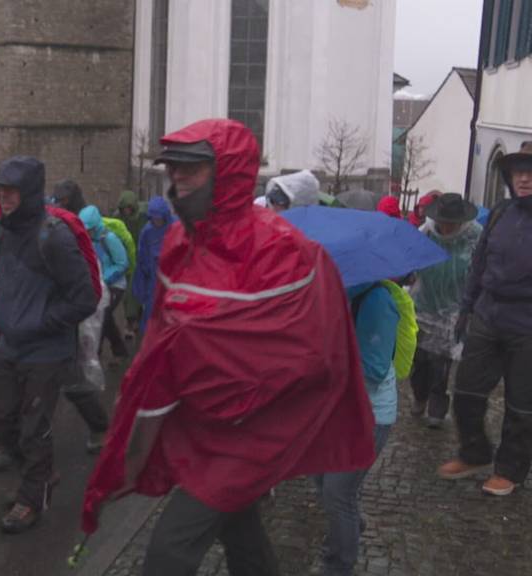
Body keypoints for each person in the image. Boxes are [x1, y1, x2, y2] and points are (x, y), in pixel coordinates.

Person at [81, 119, 375, 575]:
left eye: (191, 170)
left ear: (228, 173)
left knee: (169, 551)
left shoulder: (283, 249)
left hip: (253, 430)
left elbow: (308, 351)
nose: (178, 179)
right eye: (174, 169)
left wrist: (203, 358)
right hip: (199, 422)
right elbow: (164, 325)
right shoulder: (180, 239)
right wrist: (148, 379)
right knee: (238, 526)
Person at [0, 156, 98, 534]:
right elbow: (5, 270)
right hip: (9, 344)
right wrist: (2, 294)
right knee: (0, 416)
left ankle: (31, 499)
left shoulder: (54, 236)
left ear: (29, 193)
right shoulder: (2, 229)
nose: (4, 198)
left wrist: (41, 322)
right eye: (0, 190)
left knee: (34, 428)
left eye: (11, 191)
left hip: (46, 352)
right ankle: (41, 475)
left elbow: (84, 298)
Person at [439, 141, 532, 497]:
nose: (523, 178)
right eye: (518, 171)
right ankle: (475, 452)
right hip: (488, 315)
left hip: (527, 325)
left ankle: (510, 470)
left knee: (522, 405)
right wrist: (466, 308)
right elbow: (479, 262)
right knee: (465, 390)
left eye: (530, 171)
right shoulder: (500, 212)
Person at [315, 279, 401, 576]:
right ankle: (352, 522)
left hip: (370, 415)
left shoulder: (377, 300)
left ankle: (338, 564)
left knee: (338, 492)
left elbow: (374, 370)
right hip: (337, 410)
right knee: (322, 479)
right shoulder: (333, 294)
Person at [409, 193, 481, 427]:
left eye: (453, 222)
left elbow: (481, 269)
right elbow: (412, 263)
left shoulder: (474, 236)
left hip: (453, 310)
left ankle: (437, 409)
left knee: (441, 361)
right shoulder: (426, 233)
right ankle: (419, 395)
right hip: (423, 306)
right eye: (444, 221)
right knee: (419, 360)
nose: (448, 226)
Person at [79, 205, 129, 360]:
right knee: (105, 318)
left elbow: (122, 263)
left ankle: (96, 353)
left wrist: (104, 278)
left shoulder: (109, 238)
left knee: (103, 315)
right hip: (98, 285)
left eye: (89, 229)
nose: (86, 232)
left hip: (114, 286)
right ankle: (119, 351)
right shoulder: (89, 239)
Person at [131, 196, 174, 332]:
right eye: (154, 218)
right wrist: (141, 292)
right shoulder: (147, 232)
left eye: (159, 218)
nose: (157, 221)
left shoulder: (177, 226)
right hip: (153, 284)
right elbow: (142, 261)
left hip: (173, 282)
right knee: (152, 320)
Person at [115, 190, 146, 337]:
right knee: (128, 295)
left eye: (129, 208)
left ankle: (135, 320)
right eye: (124, 208)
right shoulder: (118, 218)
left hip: (140, 258)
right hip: (126, 259)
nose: (127, 211)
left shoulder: (142, 217)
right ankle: (131, 321)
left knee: (136, 292)